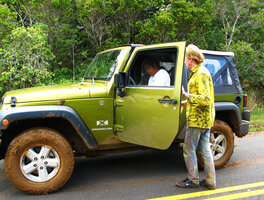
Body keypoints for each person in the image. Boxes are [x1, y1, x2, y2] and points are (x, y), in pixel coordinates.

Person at [176, 44, 216, 190]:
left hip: (198, 121)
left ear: (191, 59)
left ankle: (193, 180)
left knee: (188, 149)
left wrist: (187, 95)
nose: (184, 62)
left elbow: (205, 100)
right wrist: (188, 101)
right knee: (205, 149)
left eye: (185, 59)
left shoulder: (200, 74)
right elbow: (202, 97)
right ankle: (210, 181)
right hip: (204, 120)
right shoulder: (199, 72)